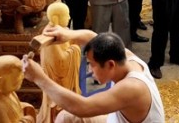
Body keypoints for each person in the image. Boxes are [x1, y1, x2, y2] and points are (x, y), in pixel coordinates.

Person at [22, 27, 165, 123]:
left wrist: (39, 78)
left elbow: (82, 107)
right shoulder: (126, 58)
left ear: (110, 64)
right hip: (113, 119)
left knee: (72, 114)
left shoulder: (132, 88)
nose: (90, 70)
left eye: (92, 64)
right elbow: (93, 38)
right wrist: (68, 35)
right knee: (65, 117)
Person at [0, 55, 35, 123]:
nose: (22, 77)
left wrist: (27, 107)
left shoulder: (6, 89)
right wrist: (29, 119)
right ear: (1, 82)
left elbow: (12, 106)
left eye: (21, 74)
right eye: (16, 77)